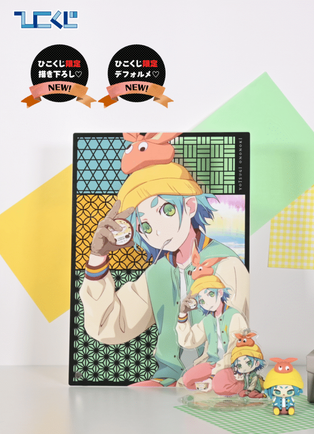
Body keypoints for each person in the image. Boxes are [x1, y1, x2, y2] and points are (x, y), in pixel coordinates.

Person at [80, 133, 249, 386]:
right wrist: (97, 258)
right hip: (167, 382)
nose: (157, 231)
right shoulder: (158, 272)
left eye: (166, 210)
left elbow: (232, 340)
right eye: (145, 226)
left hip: (217, 381)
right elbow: (108, 326)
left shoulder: (227, 266)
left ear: (189, 206)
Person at [176, 275, 248, 395]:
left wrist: (213, 376)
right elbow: (188, 341)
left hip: (232, 364)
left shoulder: (235, 316)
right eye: (201, 300)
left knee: (219, 386)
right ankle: (215, 383)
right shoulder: (208, 319)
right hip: (212, 363)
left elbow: (235, 351)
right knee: (188, 380)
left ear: (220, 293)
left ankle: (242, 384)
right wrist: (183, 315)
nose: (206, 302)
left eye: (209, 294)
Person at [230, 332, 266, 398]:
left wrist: (249, 390)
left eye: (248, 363)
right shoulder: (244, 374)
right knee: (241, 394)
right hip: (247, 389)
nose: (244, 368)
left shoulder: (254, 375)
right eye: (239, 365)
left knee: (251, 394)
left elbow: (253, 383)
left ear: (257, 363)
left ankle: (261, 395)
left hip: (255, 389)